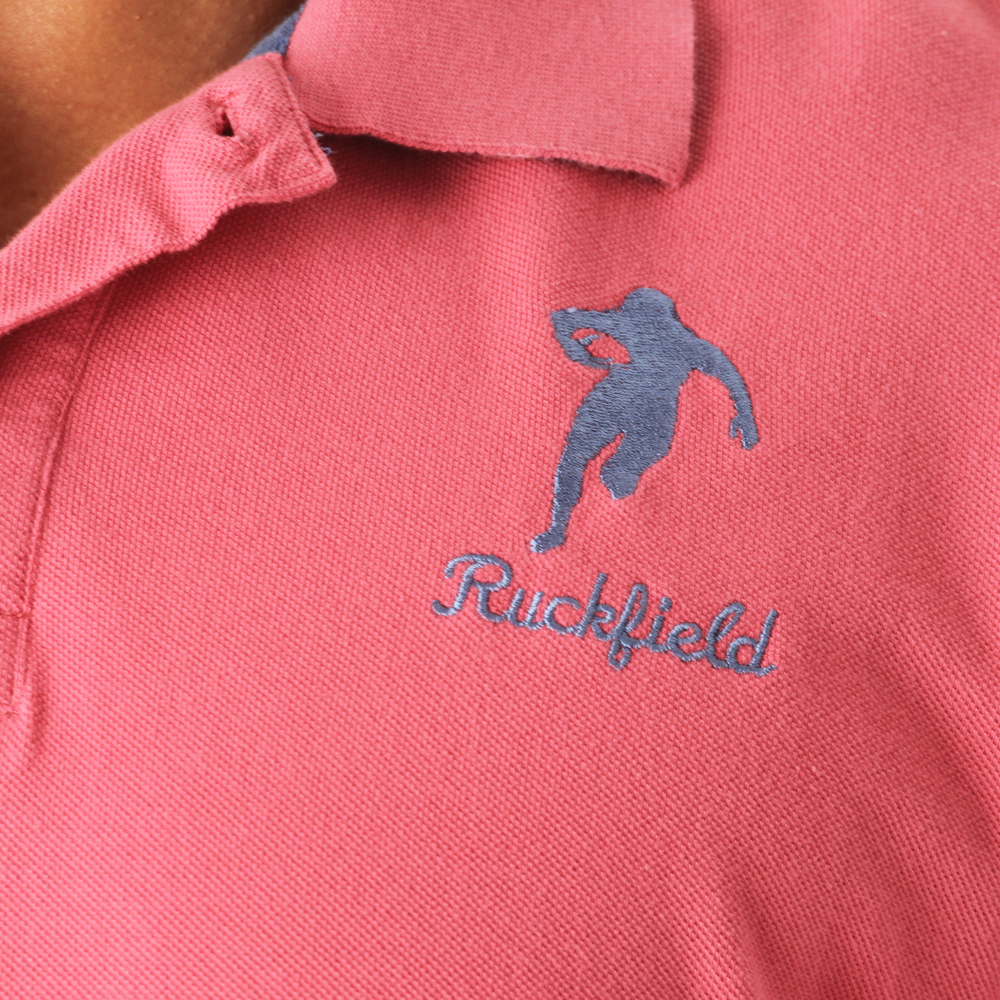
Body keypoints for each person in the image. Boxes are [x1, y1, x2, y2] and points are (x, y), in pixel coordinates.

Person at [2, 1, 1000, 998]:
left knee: (610, 476)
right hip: (612, 400)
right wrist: (588, 344)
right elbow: (592, 329)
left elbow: (719, 374)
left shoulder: (955, 203)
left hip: (650, 417)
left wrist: (731, 422)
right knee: (575, 477)